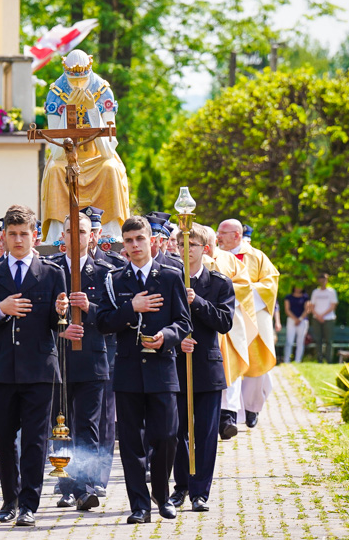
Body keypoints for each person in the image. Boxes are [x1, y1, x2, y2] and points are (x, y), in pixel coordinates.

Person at [0, 205, 67, 528]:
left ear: (35, 236)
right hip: (2, 369)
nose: (17, 240)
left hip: (39, 369)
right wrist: (1, 309)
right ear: (3, 236)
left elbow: (59, 323)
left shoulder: (53, 273)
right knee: (1, 434)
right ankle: (9, 498)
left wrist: (60, 311)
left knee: (35, 440)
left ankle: (28, 503)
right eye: (11, 234)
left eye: (23, 234)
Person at [96, 216, 192, 524]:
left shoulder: (171, 276)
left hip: (163, 370)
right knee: (132, 444)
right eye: (128, 241)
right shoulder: (114, 279)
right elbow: (102, 322)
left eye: (139, 239)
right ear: (123, 245)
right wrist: (130, 308)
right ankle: (139, 505)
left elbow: (184, 322)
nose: (134, 245)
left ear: (151, 240)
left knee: (166, 437)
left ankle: (161, 495)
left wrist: (167, 337)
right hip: (128, 372)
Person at [171, 223, 234, 512]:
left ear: (204, 249)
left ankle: (200, 492)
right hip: (175, 367)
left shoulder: (219, 283)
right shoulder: (168, 279)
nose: (186, 250)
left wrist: (198, 302)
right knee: (176, 431)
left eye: (192, 245)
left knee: (206, 434)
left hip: (207, 369)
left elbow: (224, 321)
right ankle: (181, 486)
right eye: (181, 244)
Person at [51, 213, 111, 511]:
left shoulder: (104, 270)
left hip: (91, 360)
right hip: (58, 361)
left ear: (93, 236)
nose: (76, 237)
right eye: (70, 232)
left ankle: (86, 486)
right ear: (62, 237)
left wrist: (90, 307)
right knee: (61, 427)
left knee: (87, 425)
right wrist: (55, 311)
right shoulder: (50, 270)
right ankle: (65, 484)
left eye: (82, 231)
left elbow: (115, 317)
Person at [41, 50, 130, 242]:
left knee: (111, 169)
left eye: (82, 79)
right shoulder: (55, 93)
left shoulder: (103, 91)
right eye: (73, 81)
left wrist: (92, 109)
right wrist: (68, 111)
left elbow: (108, 152)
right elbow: (56, 153)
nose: (78, 85)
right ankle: (59, 234)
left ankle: (108, 232)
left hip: (98, 158)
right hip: (66, 159)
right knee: (55, 172)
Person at [215, 219, 279, 429]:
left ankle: (252, 407)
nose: (218, 237)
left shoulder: (256, 256)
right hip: (227, 317)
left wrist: (241, 291)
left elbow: (270, 284)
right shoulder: (215, 256)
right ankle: (227, 413)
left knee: (257, 365)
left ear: (236, 235)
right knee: (228, 362)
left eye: (222, 233)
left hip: (252, 316)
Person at [199, 225, 256, 440]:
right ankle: (210, 417)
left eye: (216, 240)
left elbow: (244, 285)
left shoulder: (231, 261)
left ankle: (228, 416)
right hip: (203, 321)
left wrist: (222, 292)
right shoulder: (195, 259)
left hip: (227, 321)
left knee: (232, 366)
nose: (215, 244)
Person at [80, 206, 121, 495]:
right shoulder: (59, 265)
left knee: (104, 420)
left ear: (97, 234)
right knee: (68, 418)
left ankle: (98, 477)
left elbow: (113, 314)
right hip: (69, 351)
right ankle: (71, 478)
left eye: (92, 231)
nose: (89, 237)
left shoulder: (110, 268)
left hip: (103, 351)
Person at [309, 274, 338, 363]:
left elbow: (333, 306)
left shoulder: (331, 292)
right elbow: (312, 306)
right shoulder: (315, 292)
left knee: (329, 340)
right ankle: (319, 359)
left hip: (329, 318)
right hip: (316, 318)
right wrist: (318, 315)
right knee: (318, 340)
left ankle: (329, 360)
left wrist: (323, 315)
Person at [283, 285, 310, 363]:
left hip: (302, 321)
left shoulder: (305, 297)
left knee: (300, 341)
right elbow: (287, 309)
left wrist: (300, 319)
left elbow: (307, 309)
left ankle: (298, 360)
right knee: (289, 341)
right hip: (291, 320)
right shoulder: (288, 297)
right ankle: (286, 360)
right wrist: (295, 319)